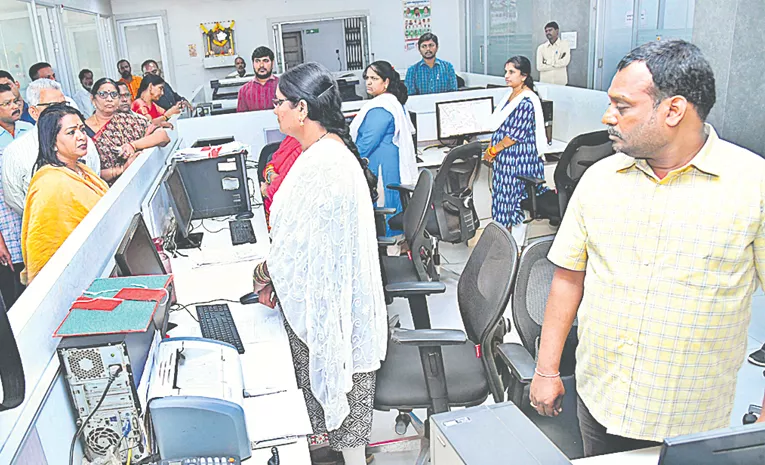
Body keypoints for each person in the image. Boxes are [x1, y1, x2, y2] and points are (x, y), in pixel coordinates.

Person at [529, 40, 765, 457]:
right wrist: (546, 370)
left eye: (623, 106)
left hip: (692, 418)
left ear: (673, 110)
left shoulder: (752, 185)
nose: (607, 117)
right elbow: (567, 278)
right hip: (601, 402)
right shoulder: (600, 179)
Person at [251, 62, 386, 465]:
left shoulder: (324, 165)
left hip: (339, 319)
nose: (274, 110)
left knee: (342, 438)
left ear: (302, 110)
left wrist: (261, 273)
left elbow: (297, 253)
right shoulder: (324, 151)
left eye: (279, 103)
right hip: (340, 307)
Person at [21, 105, 108, 284]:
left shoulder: (81, 169)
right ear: (52, 142)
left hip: (101, 265)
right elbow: (45, 248)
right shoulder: (50, 183)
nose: (81, 137)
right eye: (71, 132)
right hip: (74, 281)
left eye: (82, 129)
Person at [2, 79, 101, 216]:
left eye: (64, 104)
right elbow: (15, 199)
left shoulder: (83, 140)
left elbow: (94, 174)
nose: (62, 111)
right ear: (34, 112)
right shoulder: (16, 152)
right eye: (53, 106)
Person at [483, 56, 548, 246]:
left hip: (518, 162)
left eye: (511, 72)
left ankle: (516, 249)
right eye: (506, 71)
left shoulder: (526, 102)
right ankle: (505, 246)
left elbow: (514, 136)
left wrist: (493, 150)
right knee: (503, 202)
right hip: (506, 162)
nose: (506, 76)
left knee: (515, 204)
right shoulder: (510, 96)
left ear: (524, 75)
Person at [351, 60, 417, 236]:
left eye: (374, 78)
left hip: (380, 169)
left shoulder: (380, 108)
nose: (369, 82)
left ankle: (388, 251)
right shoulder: (392, 103)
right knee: (391, 205)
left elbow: (364, 145)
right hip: (388, 164)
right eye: (367, 78)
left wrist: (346, 157)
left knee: (383, 209)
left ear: (386, 82)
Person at [86, 78, 170, 184]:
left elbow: (163, 137)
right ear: (93, 99)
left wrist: (133, 145)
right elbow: (88, 173)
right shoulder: (83, 131)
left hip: (141, 182)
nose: (109, 99)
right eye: (103, 94)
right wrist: (121, 169)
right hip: (111, 191)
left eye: (114, 94)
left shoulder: (129, 120)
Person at [0, 84, 33, 307]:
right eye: (7, 104)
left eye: (16, 101)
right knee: (17, 297)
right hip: (7, 227)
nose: (14, 106)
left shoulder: (29, 130)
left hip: (32, 217)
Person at [260, 135, 302, 229]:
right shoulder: (292, 138)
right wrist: (271, 176)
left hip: (282, 222)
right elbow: (269, 165)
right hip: (270, 209)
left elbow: (277, 191)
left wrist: (265, 190)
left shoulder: (304, 148)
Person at [237, 47, 279, 112]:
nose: (261, 65)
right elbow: (242, 118)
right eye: (257, 61)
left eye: (265, 61)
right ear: (253, 64)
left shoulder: (282, 86)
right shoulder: (244, 91)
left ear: (272, 63)